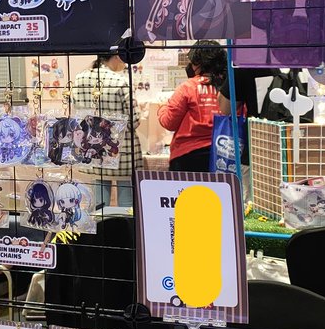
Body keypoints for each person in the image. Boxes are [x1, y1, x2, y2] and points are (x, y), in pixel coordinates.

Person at [71, 51, 142, 208]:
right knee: (127, 204)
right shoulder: (121, 81)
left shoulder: (80, 79)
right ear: (116, 56)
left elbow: (78, 113)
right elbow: (134, 121)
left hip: (93, 149)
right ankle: (124, 225)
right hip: (121, 150)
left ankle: (100, 224)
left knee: (98, 204)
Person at [158, 41, 226, 171]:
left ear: (198, 64)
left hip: (187, 155)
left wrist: (162, 108)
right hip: (223, 154)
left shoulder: (188, 87)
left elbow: (169, 122)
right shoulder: (228, 88)